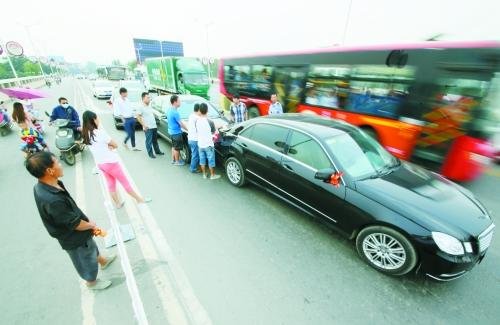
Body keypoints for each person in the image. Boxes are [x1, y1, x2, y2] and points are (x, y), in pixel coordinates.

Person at [26, 151, 116, 290]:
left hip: (77, 228)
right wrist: (91, 224)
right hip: (73, 237)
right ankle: (91, 282)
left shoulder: (44, 185)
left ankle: (102, 261)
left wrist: (87, 224)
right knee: (85, 258)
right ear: (50, 170)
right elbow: (76, 224)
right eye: (58, 163)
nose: (61, 165)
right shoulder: (52, 200)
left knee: (90, 246)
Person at [82, 110, 151, 208]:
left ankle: (118, 204)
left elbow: (100, 146)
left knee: (110, 184)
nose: (98, 119)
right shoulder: (100, 133)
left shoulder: (86, 134)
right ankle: (139, 200)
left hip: (101, 164)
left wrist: (108, 146)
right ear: (93, 120)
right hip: (111, 163)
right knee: (125, 182)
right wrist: (109, 146)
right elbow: (115, 144)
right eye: (97, 118)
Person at [196, 103, 221, 180]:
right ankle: (212, 175)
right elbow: (214, 132)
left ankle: (204, 174)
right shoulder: (210, 121)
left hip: (200, 144)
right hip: (208, 144)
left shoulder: (197, 121)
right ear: (207, 110)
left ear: (199, 110)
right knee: (211, 160)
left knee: (202, 160)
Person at [136, 92, 164, 159]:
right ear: (143, 98)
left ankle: (157, 151)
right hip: (148, 127)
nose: (149, 99)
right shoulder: (140, 107)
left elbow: (151, 114)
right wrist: (144, 125)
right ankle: (150, 153)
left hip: (153, 126)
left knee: (155, 140)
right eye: (147, 98)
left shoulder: (149, 105)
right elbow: (138, 117)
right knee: (149, 141)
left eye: (149, 97)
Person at [166, 95, 188, 165]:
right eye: (179, 101)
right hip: (176, 133)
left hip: (171, 132)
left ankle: (173, 160)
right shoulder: (175, 112)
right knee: (177, 148)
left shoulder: (169, 109)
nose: (180, 102)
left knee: (174, 146)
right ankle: (177, 162)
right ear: (175, 102)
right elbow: (180, 124)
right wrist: (188, 129)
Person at [187, 103, 201, 173]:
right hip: (195, 139)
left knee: (194, 154)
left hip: (190, 138)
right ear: (198, 110)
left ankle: (194, 166)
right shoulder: (197, 118)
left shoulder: (191, 116)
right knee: (195, 154)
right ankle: (193, 168)